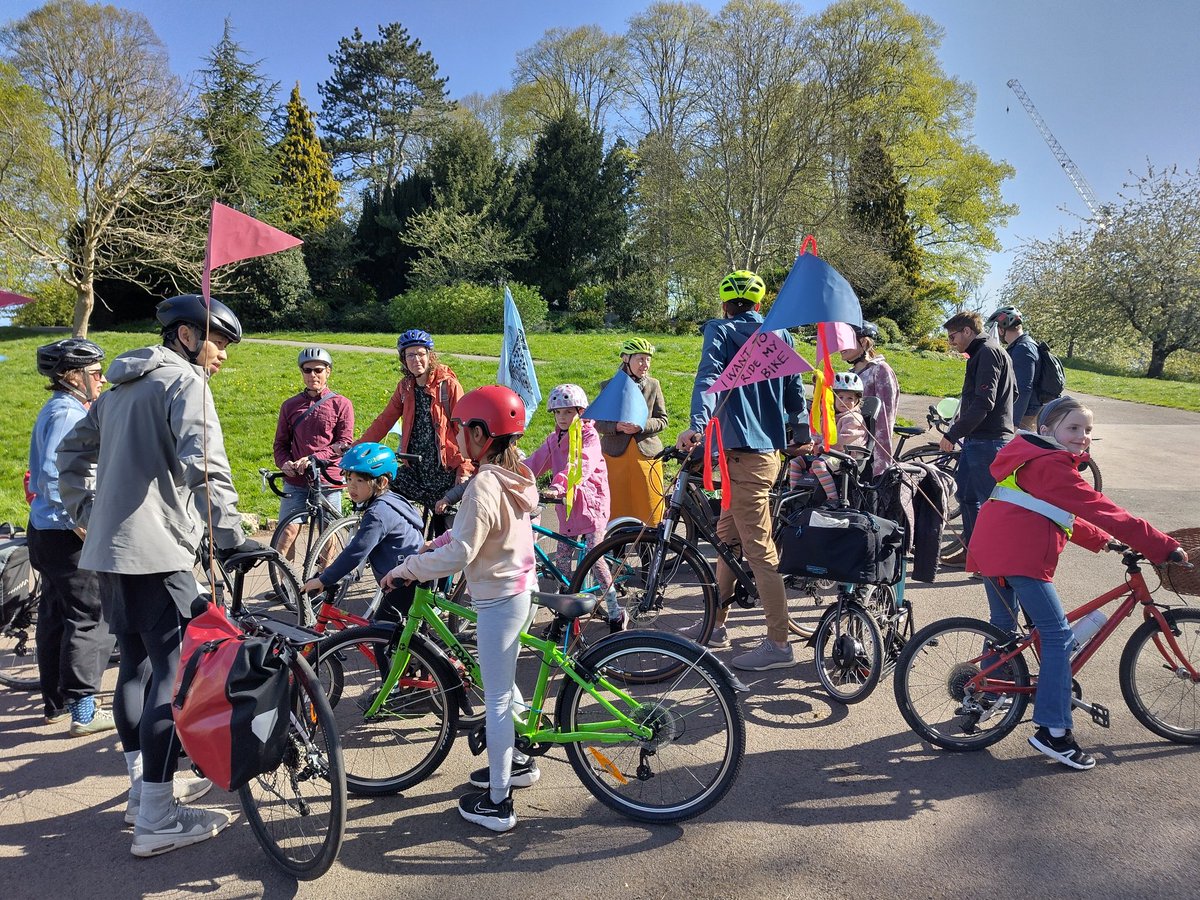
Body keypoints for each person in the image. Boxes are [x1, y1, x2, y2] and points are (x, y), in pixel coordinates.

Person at [58, 294, 263, 857]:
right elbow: (206, 464)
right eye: (219, 342)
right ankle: (157, 815)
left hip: (109, 551)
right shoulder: (186, 383)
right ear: (189, 337)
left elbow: (70, 455)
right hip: (157, 554)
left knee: (135, 667)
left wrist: (86, 515)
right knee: (173, 677)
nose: (223, 356)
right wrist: (231, 537)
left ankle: (139, 793)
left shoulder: (119, 386)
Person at [967, 396, 1187, 769]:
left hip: (994, 548)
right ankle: (1053, 732)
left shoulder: (1030, 456)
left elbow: (1051, 509)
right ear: (1046, 430)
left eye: (1088, 430)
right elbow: (1104, 510)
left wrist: (1104, 541)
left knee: (1004, 625)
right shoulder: (1051, 464)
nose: (1083, 436)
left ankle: (989, 692)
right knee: (1056, 637)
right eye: (1073, 428)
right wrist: (1162, 546)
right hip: (1018, 555)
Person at [381, 385, 539, 833]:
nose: (457, 435)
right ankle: (520, 762)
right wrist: (435, 542)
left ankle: (499, 800)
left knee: (496, 699)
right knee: (505, 687)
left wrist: (410, 568)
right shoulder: (512, 474)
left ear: (481, 434)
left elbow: (463, 550)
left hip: (499, 599)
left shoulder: (483, 484)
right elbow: (471, 534)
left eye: (462, 428)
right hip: (519, 589)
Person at [676, 270, 807, 671]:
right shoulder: (780, 337)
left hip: (744, 458)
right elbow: (794, 394)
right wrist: (798, 427)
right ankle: (716, 624)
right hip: (761, 455)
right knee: (725, 539)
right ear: (759, 304)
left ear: (724, 303)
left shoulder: (719, 329)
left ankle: (778, 644)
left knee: (758, 550)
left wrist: (697, 426)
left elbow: (708, 377)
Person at [27, 338, 115, 735]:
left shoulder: (57, 408)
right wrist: (80, 522)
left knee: (55, 615)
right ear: (72, 375)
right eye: (95, 372)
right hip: (66, 532)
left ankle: (56, 703)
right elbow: (52, 476)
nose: (102, 378)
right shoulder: (67, 413)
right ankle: (83, 710)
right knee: (88, 615)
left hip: (44, 531)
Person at [527, 384, 622, 630]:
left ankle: (615, 611)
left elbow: (580, 466)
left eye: (568, 412)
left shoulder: (589, 437)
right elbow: (535, 463)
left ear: (581, 412)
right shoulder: (554, 439)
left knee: (595, 558)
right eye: (558, 413)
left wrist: (558, 486)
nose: (562, 418)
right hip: (568, 507)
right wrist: (511, 475)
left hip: (591, 505)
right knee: (561, 562)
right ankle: (567, 615)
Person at [358, 329, 471, 532]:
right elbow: (384, 421)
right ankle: (396, 539)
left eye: (420, 354)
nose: (416, 359)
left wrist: (464, 470)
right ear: (403, 359)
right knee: (381, 486)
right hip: (416, 469)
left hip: (444, 473)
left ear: (430, 356)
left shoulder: (448, 386)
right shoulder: (405, 387)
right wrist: (357, 448)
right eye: (410, 355)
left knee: (443, 537)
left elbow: (465, 430)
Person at [300, 442, 424, 620]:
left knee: (383, 637)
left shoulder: (378, 513)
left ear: (381, 482)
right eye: (349, 479)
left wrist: (324, 579)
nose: (351, 486)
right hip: (411, 573)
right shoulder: (392, 499)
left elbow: (356, 551)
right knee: (405, 634)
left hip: (405, 582)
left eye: (359, 480)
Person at [939, 310, 1015, 568]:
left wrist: (953, 433)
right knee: (967, 496)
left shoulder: (988, 353)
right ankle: (971, 550)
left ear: (967, 331)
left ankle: (992, 562)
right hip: (978, 440)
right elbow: (1012, 394)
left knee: (989, 504)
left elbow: (985, 402)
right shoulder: (984, 353)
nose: (952, 343)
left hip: (989, 441)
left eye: (953, 337)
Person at [272, 347, 354, 564]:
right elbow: (280, 444)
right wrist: (284, 463)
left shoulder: (341, 404)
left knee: (328, 533)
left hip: (327, 479)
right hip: (296, 480)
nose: (312, 375)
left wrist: (314, 458)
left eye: (318, 370)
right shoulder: (290, 405)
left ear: (328, 372)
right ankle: (286, 585)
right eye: (307, 370)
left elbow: (344, 443)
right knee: (286, 533)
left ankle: (322, 581)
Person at [593, 338, 669, 527]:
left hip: (646, 456)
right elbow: (596, 422)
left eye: (648, 360)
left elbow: (663, 420)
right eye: (640, 359)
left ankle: (649, 547)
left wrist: (641, 425)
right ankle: (615, 544)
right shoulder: (609, 386)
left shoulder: (653, 385)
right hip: (614, 456)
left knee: (648, 504)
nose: (645, 365)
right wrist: (616, 426)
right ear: (626, 358)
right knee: (617, 502)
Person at [788, 371, 869, 504]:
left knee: (818, 464)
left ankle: (833, 498)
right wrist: (810, 441)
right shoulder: (829, 417)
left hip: (844, 456)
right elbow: (819, 433)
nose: (844, 402)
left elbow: (843, 440)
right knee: (796, 462)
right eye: (840, 397)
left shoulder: (853, 419)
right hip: (826, 454)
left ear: (857, 400)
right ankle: (794, 495)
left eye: (850, 398)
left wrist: (822, 445)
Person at [841, 320, 899, 477]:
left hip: (868, 454)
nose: (840, 345)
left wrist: (881, 465)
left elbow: (885, 419)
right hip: (847, 449)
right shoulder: (850, 374)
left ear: (864, 342)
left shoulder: (880, 371)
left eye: (845, 340)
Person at [987, 305, 1042, 430]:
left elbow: (1023, 388)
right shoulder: (1023, 346)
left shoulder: (1023, 349)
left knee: (1019, 448)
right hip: (1027, 410)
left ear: (1001, 330)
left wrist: (1014, 422)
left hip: (1026, 414)